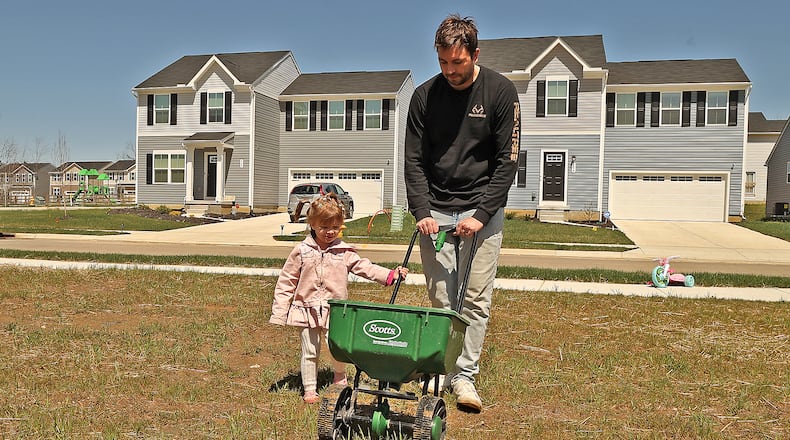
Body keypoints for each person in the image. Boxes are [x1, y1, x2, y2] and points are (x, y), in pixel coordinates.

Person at [404, 13, 521, 413]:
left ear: (475, 53)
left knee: (474, 298)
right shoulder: (423, 97)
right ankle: (440, 369)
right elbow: (414, 161)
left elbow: (508, 161)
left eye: (458, 62)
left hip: (480, 212)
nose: (451, 71)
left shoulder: (501, 93)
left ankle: (464, 377)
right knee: (441, 298)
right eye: (443, 62)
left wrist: (482, 213)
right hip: (435, 212)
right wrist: (421, 209)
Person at [269, 193, 408, 403]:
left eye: (335, 227)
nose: (330, 232)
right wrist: (280, 312)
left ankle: (340, 376)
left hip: (336, 309)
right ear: (312, 225)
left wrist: (390, 275)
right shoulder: (301, 251)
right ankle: (309, 388)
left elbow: (365, 267)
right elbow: (286, 281)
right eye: (324, 227)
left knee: (337, 346)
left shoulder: (344, 252)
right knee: (309, 350)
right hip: (307, 308)